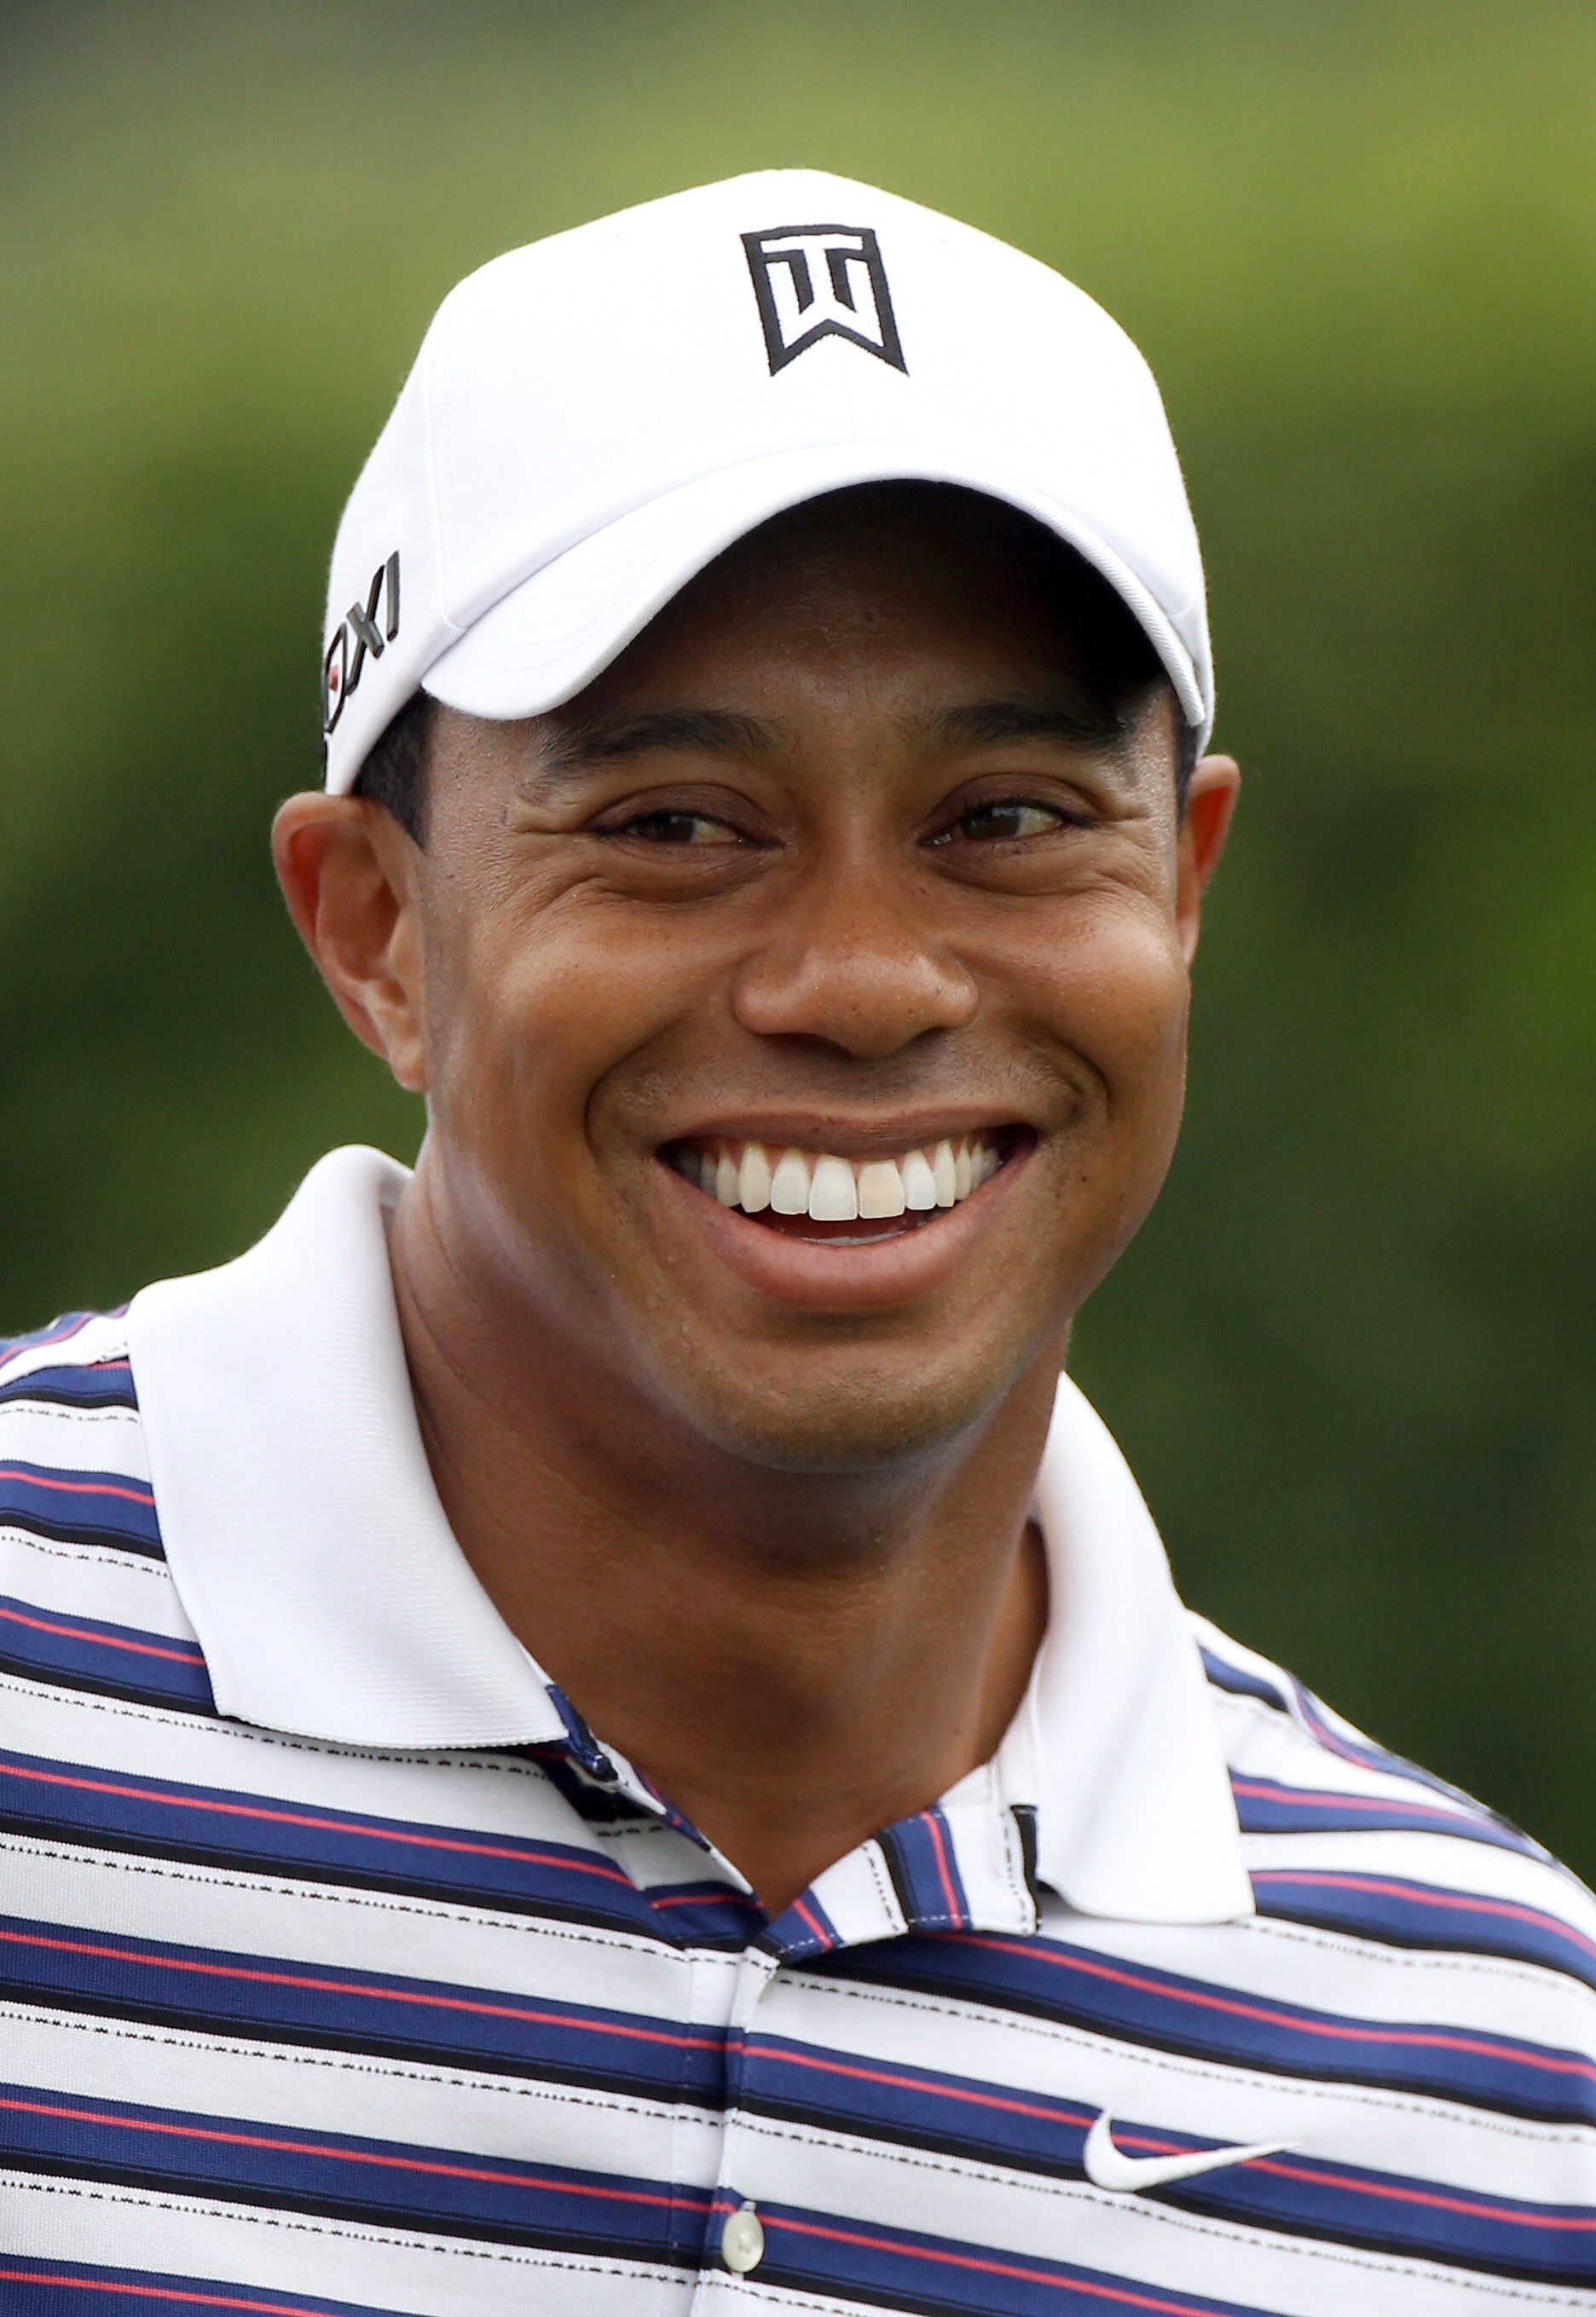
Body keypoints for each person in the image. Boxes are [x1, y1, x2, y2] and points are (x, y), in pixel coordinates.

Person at [0, 170, 1590, 2317]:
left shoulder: (1507, 2108)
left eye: (1006, 820)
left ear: (1181, 886)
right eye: (675, 827)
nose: (864, 980)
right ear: (376, 930)